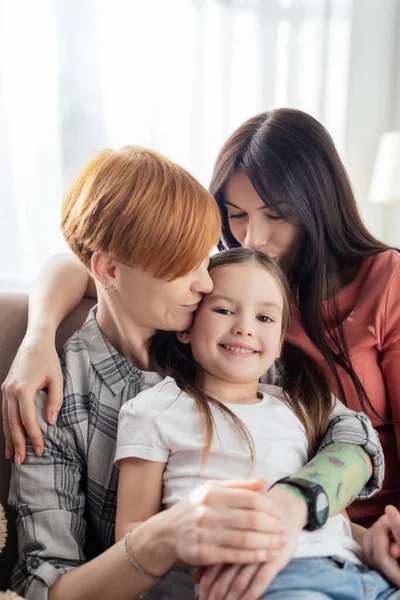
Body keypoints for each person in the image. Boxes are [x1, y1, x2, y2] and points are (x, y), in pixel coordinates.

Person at [2, 140, 383, 598]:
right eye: (184, 266)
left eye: (204, 258)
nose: (206, 282)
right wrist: (162, 539)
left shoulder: (227, 341)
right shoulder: (57, 398)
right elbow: (47, 588)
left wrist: (324, 517)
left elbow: (353, 437)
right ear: (109, 271)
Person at [114, 247, 398, 600]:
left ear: (280, 343)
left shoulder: (297, 408)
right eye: (223, 310)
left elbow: (323, 517)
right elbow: (131, 534)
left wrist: (373, 542)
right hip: (274, 581)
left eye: (264, 318)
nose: (244, 327)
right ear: (186, 327)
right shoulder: (156, 408)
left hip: (359, 572)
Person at [208, 107, 400, 587]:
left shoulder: (386, 281)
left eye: (277, 215)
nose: (254, 238)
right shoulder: (230, 290)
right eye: (237, 216)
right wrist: (38, 338)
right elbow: (102, 274)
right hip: (285, 535)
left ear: (319, 204)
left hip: (377, 534)